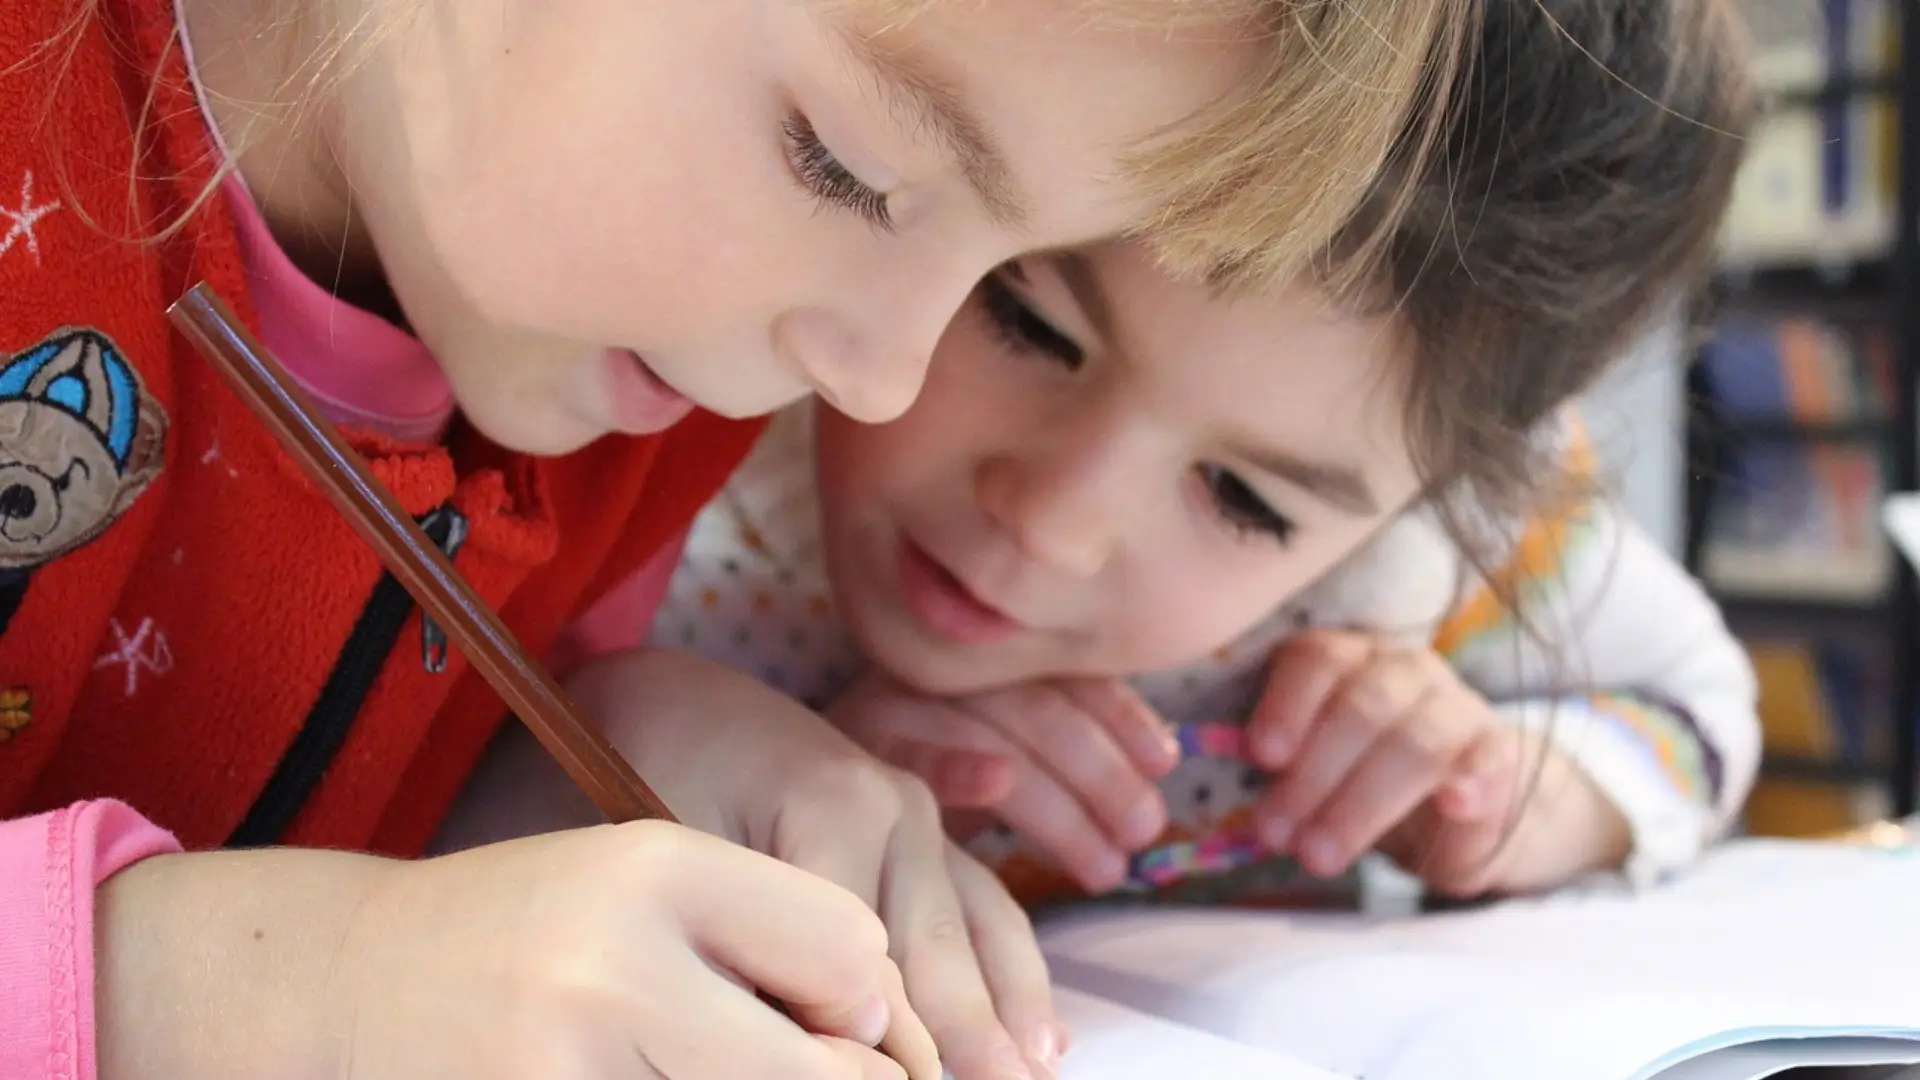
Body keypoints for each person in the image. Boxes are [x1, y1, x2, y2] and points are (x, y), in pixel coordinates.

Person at [0, 1, 1475, 1079]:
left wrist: (599, 757)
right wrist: (238, 995)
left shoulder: (644, 384)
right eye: (845, 167)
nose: (882, 377)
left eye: (1004, 267)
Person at [441, 0, 1759, 927]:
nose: (1055, 525)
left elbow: (1698, 704)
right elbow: (422, 845)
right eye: (1028, 323)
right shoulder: (682, 414)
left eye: (1245, 499)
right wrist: (717, 775)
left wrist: (1524, 796)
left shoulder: (1419, 575)